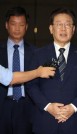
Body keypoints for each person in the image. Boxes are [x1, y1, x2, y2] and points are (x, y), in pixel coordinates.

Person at [27, 7, 77, 134]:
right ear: (51, 29)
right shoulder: (38, 54)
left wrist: (73, 108)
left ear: (73, 29)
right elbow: (31, 85)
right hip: (45, 121)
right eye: (59, 25)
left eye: (67, 25)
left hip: (74, 122)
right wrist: (48, 106)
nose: (63, 29)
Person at [0, 6, 41, 134]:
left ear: (26, 27)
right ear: (6, 25)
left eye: (21, 25)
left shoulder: (36, 52)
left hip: (27, 106)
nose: (17, 28)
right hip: (2, 106)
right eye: (13, 24)